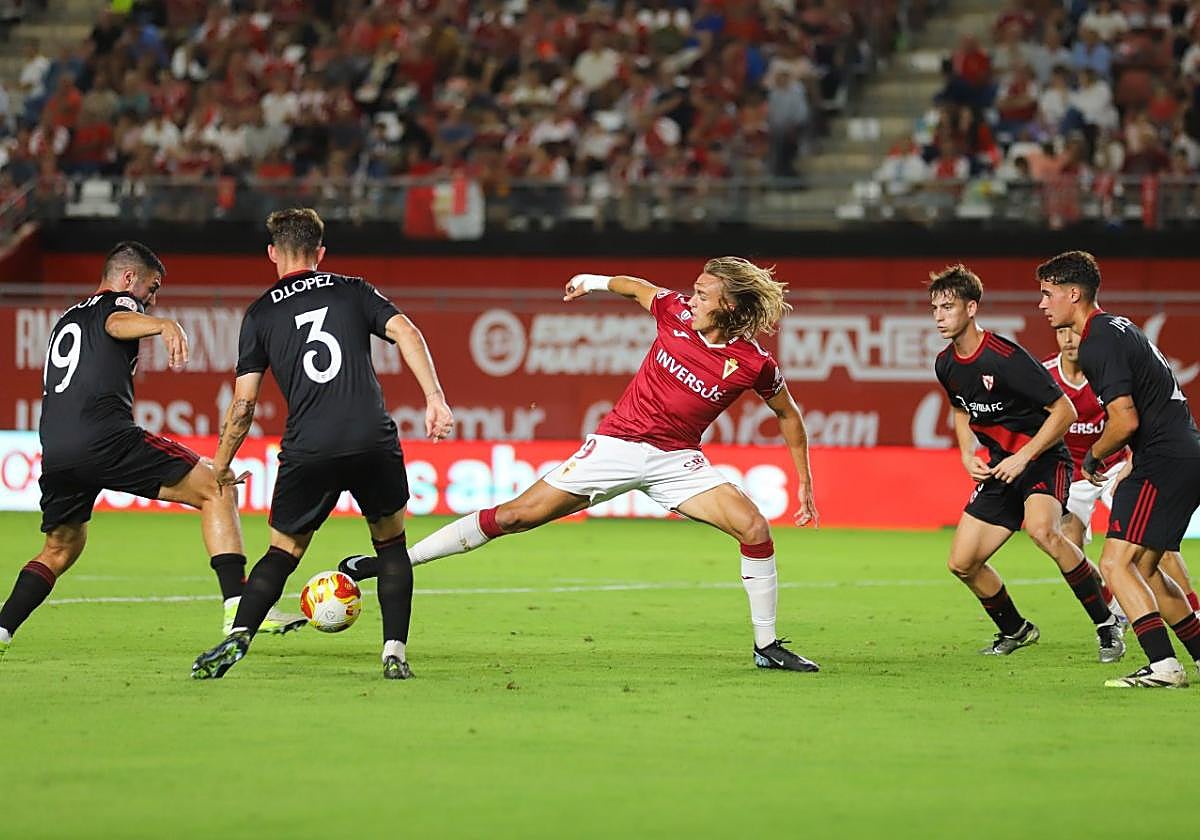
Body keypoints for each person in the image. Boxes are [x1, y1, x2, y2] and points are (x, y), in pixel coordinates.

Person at [341, 257, 822, 672]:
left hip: (677, 460)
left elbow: (788, 414)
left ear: (730, 306)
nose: (690, 298)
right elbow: (635, 287)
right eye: (693, 291)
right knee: (514, 516)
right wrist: (590, 280)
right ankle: (393, 563)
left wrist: (804, 483)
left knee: (755, 528)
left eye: (702, 293)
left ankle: (767, 647)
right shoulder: (672, 311)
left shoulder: (753, 363)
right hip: (617, 447)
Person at [0, 241, 304, 664]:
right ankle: (241, 608)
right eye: (152, 288)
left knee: (61, 547)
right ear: (128, 279)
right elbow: (117, 320)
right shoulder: (120, 304)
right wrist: (162, 324)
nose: (152, 298)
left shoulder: (70, 316)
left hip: (56, 447)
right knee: (217, 486)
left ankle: (2, 628)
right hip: (104, 437)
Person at [190, 208, 454, 681]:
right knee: (391, 547)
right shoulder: (353, 290)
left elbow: (244, 404)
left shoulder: (260, 313)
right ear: (321, 253)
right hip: (371, 437)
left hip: (309, 446)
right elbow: (407, 333)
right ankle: (394, 652)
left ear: (272, 253)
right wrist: (435, 399)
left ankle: (239, 637)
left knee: (281, 554)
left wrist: (222, 462)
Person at [930, 265, 1123, 660]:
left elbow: (1064, 411)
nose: (938, 316)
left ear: (971, 308)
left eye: (947, 307)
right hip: (1003, 466)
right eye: (934, 308)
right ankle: (1015, 629)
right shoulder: (945, 364)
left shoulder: (1005, 357)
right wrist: (968, 452)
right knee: (962, 563)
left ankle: (1107, 626)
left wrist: (1024, 456)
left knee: (1043, 532)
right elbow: (960, 409)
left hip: (1043, 459)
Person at [1037, 250, 1200, 688]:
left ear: (1074, 294)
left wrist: (1092, 456)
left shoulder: (1097, 341)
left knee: (1114, 564)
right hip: (1184, 451)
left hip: (1161, 459)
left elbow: (1125, 419)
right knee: (1146, 567)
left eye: (1048, 294)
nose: (1042, 304)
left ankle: (1164, 665)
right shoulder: (1118, 326)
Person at [1042, 326, 1200, 618]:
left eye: (1072, 332)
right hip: (1072, 473)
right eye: (1061, 332)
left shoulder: (1105, 369)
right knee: (1068, 549)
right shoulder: (1045, 375)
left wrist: (1133, 459)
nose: (1068, 339)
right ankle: (1113, 610)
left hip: (1115, 465)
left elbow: (1134, 416)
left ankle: (1195, 610)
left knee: (1156, 544)